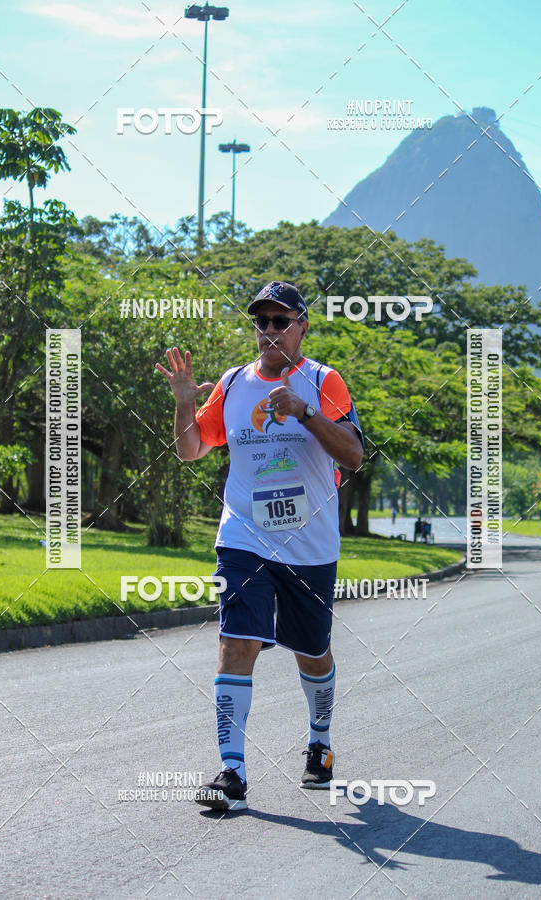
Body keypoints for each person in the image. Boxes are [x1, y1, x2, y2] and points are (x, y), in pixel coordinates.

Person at [155, 281, 364, 812]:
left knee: (311, 651)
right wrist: (185, 405)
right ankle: (232, 771)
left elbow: (354, 455)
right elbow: (192, 449)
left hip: (309, 543)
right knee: (236, 641)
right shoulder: (232, 384)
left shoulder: (324, 380)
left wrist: (306, 412)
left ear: (302, 326)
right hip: (244, 535)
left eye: (280, 321)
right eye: (261, 322)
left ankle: (320, 744)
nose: (268, 331)